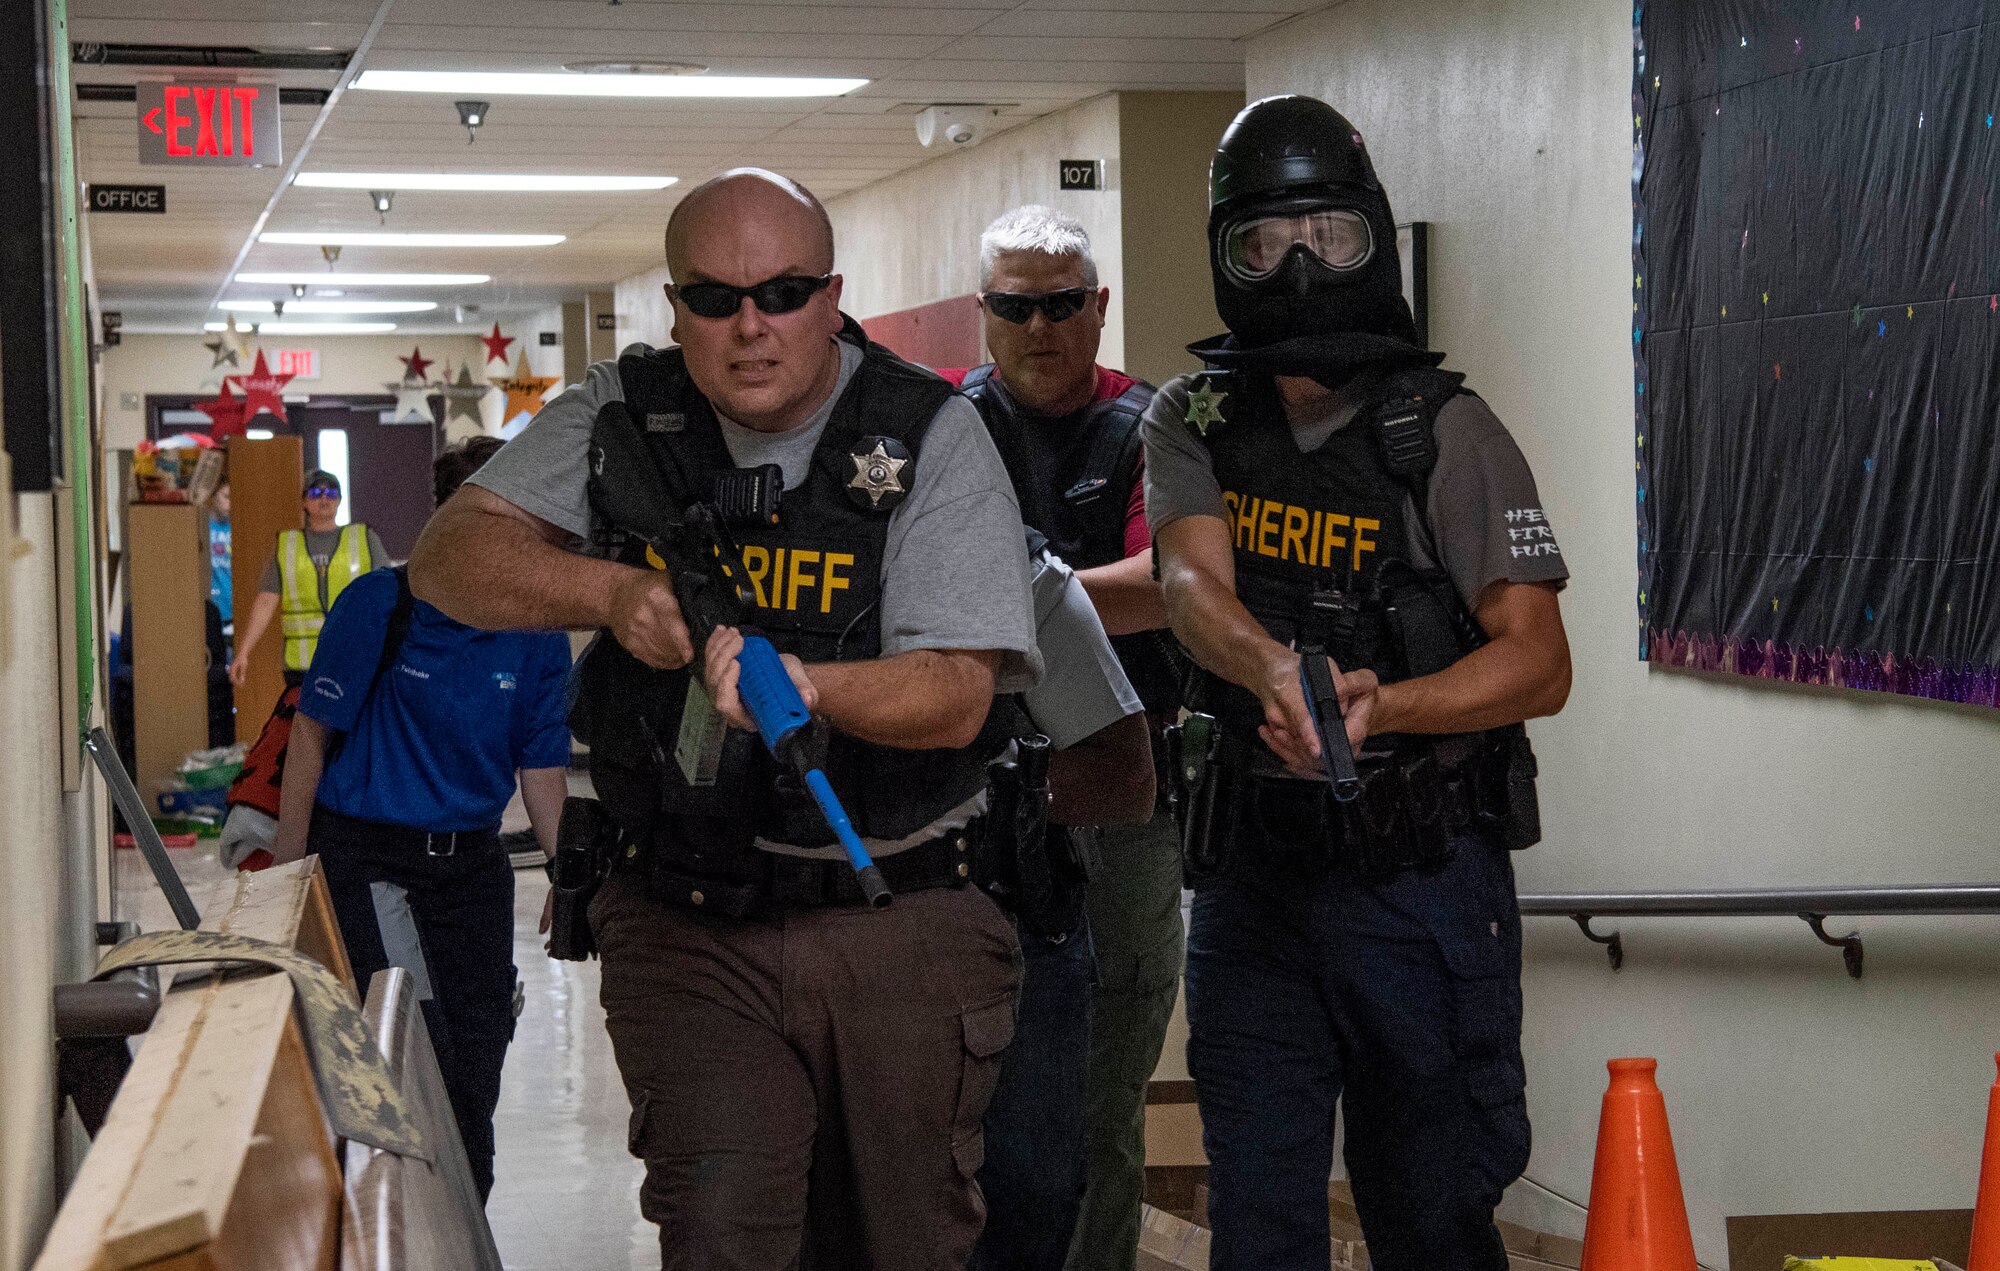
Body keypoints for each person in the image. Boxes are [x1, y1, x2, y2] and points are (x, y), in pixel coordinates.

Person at [408, 168, 1040, 1271]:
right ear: (675, 305)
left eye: (783, 291)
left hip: (895, 906)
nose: (750, 326)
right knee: (720, 1235)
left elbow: (955, 696)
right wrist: (610, 595)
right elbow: (447, 559)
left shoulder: (926, 434)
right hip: (686, 915)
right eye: (714, 299)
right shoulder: (624, 413)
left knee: (900, 1241)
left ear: (831, 295)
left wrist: (797, 685)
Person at [1144, 96, 1572, 1271]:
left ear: (1369, 236)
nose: (1295, 267)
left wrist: (1384, 704)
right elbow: (1187, 582)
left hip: (1419, 881)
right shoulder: (1196, 417)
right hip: (1255, 885)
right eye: (1262, 241)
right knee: (1261, 1221)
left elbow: (1537, 660)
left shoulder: (1443, 432)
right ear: (1225, 250)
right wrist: (1275, 671)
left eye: (1325, 235)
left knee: (1430, 1214)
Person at [942, 205, 1184, 1271]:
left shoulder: (1152, 427)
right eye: (1012, 306)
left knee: (1100, 1102)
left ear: (1096, 307)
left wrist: (1020, 599)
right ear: (983, 314)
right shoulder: (941, 427)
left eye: (1059, 304)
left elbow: (1170, 585)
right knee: (959, 1095)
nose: (1037, 326)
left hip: (1120, 801)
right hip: (961, 806)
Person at [269, 436, 570, 1202]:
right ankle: (395, 1221)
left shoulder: (536, 635)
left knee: (478, 1055)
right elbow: (310, 733)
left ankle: (459, 1225)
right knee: (411, 1046)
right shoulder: (381, 604)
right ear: (451, 518)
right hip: (370, 857)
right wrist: (289, 870)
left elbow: (542, 771)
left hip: (471, 866)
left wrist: (570, 879)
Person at [970, 535, 1153, 1271]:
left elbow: (1126, 776)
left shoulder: (1021, 575)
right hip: (828, 945)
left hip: (1013, 926)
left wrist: (975, 802)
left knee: (1027, 1203)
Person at [230, 469, 390, 687]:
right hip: (302, 665)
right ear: (304, 502)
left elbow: (387, 593)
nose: (324, 498)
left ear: (340, 499)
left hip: (352, 657)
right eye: (316, 493)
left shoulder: (363, 538)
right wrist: (243, 652)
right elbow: (266, 601)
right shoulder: (287, 545)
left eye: (331, 493)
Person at [207, 478, 233, 624]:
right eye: (226, 496)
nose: (230, 503)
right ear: (214, 495)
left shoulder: (237, 528)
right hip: (212, 608)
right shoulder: (203, 527)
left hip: (233, 607)